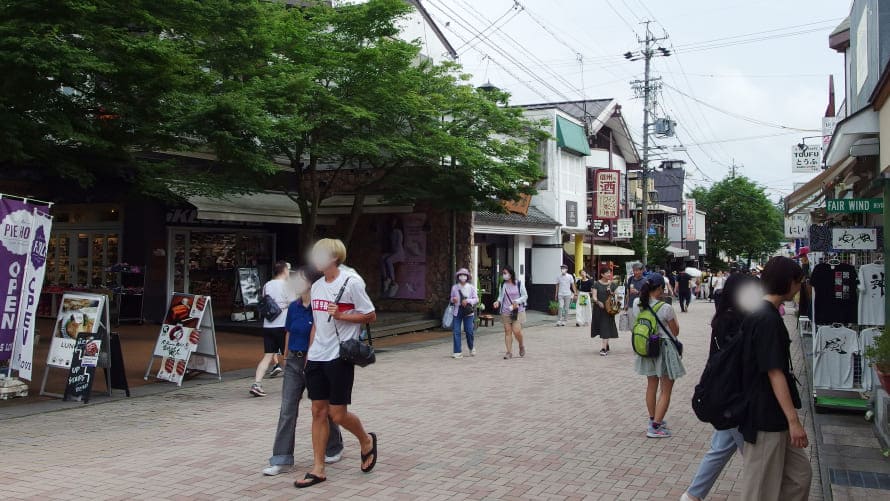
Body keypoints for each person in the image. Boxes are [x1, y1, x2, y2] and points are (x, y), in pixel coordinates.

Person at [296, 239, 377, 488]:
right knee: (318, 411)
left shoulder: (351, 283)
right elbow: (318, 324)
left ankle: (366, 440)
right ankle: (318, 468)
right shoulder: (318, 286)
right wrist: (309, 354)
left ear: (333, 258)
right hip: (317, 356)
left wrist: (341, 315)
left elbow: (370, 315)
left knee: (337, 414)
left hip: (339, 357)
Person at [737, 256, 810, 500]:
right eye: (799, 282)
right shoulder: (767, 319)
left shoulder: (761, 313)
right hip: (765, 415)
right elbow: (774, 372)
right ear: (788, 282)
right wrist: (794, 421)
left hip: (770, 413)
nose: (800, 287)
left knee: (799, 476)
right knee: (760, 489)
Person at [681, 274, 758, 501]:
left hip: (723, 392)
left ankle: (692, 495)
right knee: (755, 456)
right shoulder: (735, 320)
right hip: (733, 395)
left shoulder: (724, 317)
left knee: (720, 448)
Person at [263, 266, 344, 476]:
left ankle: (334, 446)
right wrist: (287, 355)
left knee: (321, 409)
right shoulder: (294, 307)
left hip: (316, 363)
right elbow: (288, 331)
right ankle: (281, 458)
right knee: (287, 409)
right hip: (293, 363)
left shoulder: (321, 307)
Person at [631, 273, 684, 438]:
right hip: (664, 348)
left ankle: (653, 419)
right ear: (660, 288)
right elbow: (675, 332)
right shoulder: (665, 307)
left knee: (651, 386)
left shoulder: (637, 303)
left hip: (646, 347)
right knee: (666, 390)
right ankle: (655, 427)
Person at [251, 261, 294, 397]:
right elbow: (293, 303)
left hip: (268, 325)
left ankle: (256, 383)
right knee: (287, 355)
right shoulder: (287, 286)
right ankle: (292, 386)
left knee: (268, 355)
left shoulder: (267, 285)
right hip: (283, 325)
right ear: (284, 271)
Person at [493, 266, 528, 359]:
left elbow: (525, 296)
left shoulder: (519, 283)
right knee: (507, 331)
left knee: (516, 330)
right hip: (505, 311)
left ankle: (521, 345)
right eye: (503, 273)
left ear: (511, 274)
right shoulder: (503, 285)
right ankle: (509, 352)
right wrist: (497, 302)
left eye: (505, 273)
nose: (504, 275)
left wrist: (517, 301)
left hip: (517, 310)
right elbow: (500, 296)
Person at [450, 267, 479, 359]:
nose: (462, 277)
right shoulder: (454, 287)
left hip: (468, 312)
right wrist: (453, 300)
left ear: (467, 277)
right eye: (461, 275)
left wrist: (468, 301)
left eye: (464, 275)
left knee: (469, 331)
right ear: (458, 277)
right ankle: (457, 351)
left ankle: (471, 347)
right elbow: (451, 298)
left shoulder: (471, 287)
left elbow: (476, 299)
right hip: (457, 311)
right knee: (456, 331)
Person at [590, 265, 619, 356]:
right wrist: (598, 302)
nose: (609, 274)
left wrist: (612, 293)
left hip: (609, 309)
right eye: (607, 273)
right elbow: (594, 296)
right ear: (602, 274)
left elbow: (617, 296)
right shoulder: (596, 284)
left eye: (609, 273)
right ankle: (606, 343)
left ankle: (603, 348)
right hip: (599, 309)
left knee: (605, 326)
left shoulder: (612, 284)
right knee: (601, 326)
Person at [380, 217, 405, 298]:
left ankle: (393, 281)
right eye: (392, 222)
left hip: (399, 253)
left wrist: (392, 253)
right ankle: (386, 278)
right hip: (393, 252)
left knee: (388, 260)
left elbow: (397, 245)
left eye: (394, 222)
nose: (393, 224)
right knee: (382, 258)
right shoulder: (391, 232)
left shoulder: (398, 232)